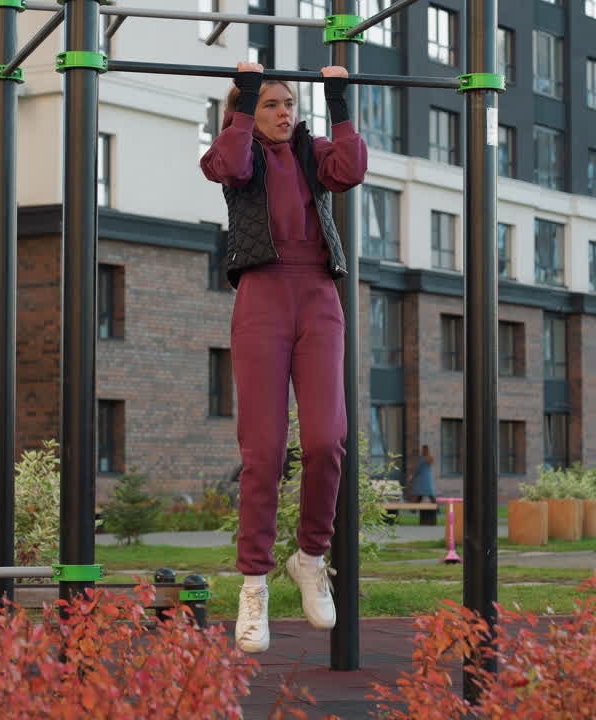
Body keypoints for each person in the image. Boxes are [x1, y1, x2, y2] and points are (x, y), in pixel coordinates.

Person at [201, 62, 367, 653]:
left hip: (318, 296)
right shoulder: (235, 151)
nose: (284, 112)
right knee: (264, 452)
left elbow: (349, 171)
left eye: (289, 103)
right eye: (271, 104)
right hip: (263, 299)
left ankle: (310, 557)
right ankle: (253, 584)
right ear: (246, 111)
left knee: (328, 441)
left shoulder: (312, 151)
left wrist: (339, 102)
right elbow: (229, 164)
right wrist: (244, 99)